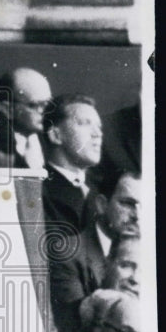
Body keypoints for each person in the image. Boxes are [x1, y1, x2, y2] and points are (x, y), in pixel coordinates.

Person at [49, 171, 141, 332]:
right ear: (101, 204)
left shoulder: (146, 248)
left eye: (144, 206)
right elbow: (77, 330)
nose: (138, 216)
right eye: (127, 204)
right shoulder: (67, 253)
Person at [41, 94, 103, 232]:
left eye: (99, 126)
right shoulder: (39, 190)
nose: (98, 133)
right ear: (56, 135)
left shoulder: (103, 189)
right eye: (85, 123)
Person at [0, 67, 52, 169]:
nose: (46, 111)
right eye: (36, 105)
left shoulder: (54, 143)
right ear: (8, 108)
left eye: (48, 103)